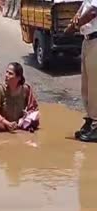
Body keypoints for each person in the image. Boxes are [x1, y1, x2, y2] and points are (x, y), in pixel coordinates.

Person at [65, 0, 97, 142]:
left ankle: (96, 125)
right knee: (86, 85)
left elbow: (92, 12)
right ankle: (90, 120)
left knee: (95, 86)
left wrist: (75, 26)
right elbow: (82, 11)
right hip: (87, 40)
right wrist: (73, 23)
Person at [0, 62, 39, 133]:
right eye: (6, 72)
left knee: (35, 120)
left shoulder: (26, 89)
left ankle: (19, 127)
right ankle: (14, 127)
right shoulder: (0, 89)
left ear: (19, 78)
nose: (6, 75)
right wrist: (7, 123)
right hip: (5, 122)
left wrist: (26, 114)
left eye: (10, 74)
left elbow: (33, 108)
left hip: (20, 121)